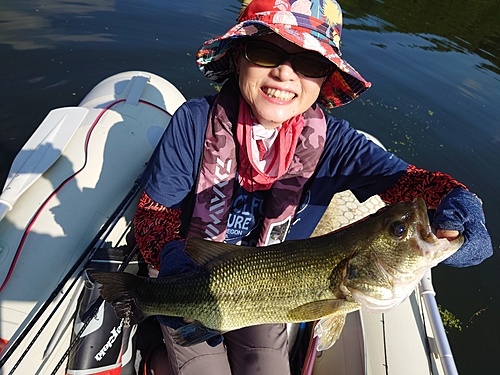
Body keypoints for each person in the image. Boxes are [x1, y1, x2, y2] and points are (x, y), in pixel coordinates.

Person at [132, 0, 493, 374]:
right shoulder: (193, 124)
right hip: (194, 276)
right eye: (266, 51)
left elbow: (410, 183)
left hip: (278, 289)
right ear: (238, 57)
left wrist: (457, 199)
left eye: (309, 62)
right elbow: (153, 214)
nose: (285, 73)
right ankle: (152, 354)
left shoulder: (336, 144)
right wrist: (170, 262)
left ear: (325, 79)